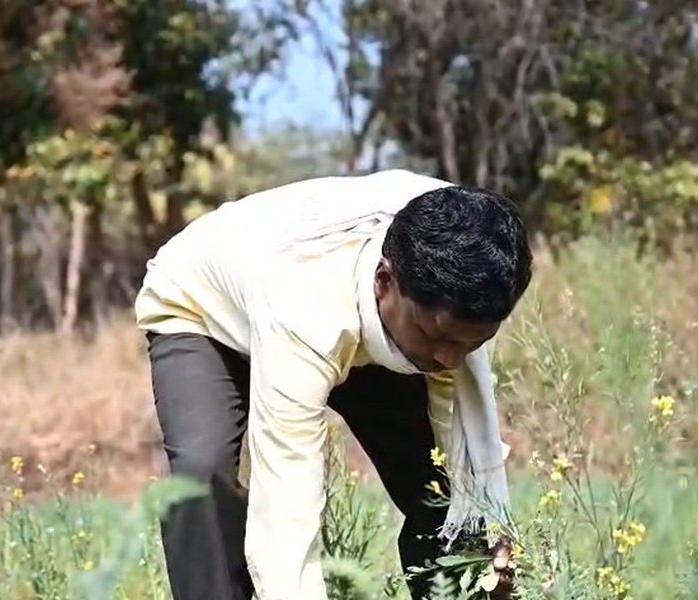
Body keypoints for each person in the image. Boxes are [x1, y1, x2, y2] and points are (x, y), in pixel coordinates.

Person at [134, 168, 533, 600]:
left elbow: (463, 456)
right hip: (203, 309)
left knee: (441, 489)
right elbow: (287, 498)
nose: (450, 359)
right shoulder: (307, 309)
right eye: (437, 337)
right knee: (201, 469)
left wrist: (487, 548)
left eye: (472, 343)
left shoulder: (470, 247)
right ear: (385, 281)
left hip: (357, 320)